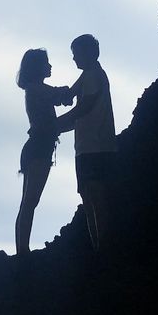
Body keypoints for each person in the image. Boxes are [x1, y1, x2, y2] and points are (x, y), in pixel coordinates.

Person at [56, 34, 117, 253]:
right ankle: (100, 249)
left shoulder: (92, 75)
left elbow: (84, 108)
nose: (74, 59)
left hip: (94, 147)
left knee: (95, 199)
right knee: (92, 198)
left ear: (89, 53)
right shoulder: (91, 75)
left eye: (76, 54)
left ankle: (103, 250)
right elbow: (71, 95)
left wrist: (53, 125)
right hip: (93, 146)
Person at [14, 48, 74, 257]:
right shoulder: (37, 89)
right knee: (30, 201)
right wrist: (78, 89)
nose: (50, 66)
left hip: (37, 146)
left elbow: (60, 98)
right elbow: (62, 95)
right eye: (46, 63)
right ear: (37, 67)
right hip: (39, 147)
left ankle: (22, 249)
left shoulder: (34, 89)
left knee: (28, 202)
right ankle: (23, 251)